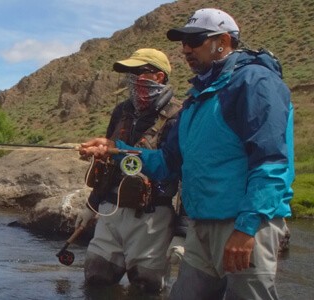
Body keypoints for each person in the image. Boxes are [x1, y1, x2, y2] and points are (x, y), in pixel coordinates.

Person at [79, 8, 294, 300]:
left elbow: (271, 162)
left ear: (224, 41)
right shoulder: (196, 98)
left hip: (243, 226)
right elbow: (167, 163)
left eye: (195, 40)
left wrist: (246, 228)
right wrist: (115, 151)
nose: (186, 49)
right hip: (201, 225)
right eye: (183, 42)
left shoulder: (255, 83)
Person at [75, 48, 184, 294]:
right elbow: (108, 165)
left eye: (138, 72)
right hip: (110, 212)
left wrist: (182, 232)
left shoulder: (180, 116)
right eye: (129, 73)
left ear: (158, 77)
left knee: (146, 288)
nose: (132, 79)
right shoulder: (121, 111)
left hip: (152, 217)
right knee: (96, 279)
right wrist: (91, 206)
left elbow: (183, 173)